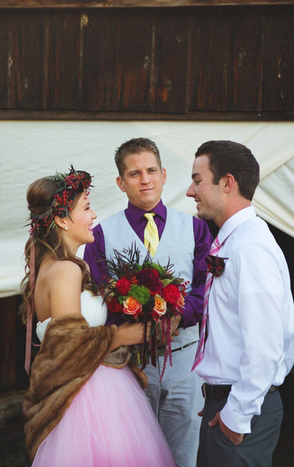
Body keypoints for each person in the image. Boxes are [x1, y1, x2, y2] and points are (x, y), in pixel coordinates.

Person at [21, 167, 175, 467]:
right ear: (62, 220)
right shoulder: (66, 270)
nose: (94, 216)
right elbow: (68, 343)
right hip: (88, 398)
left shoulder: (51, 266)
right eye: (87, 208)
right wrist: (122, 335)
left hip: (87, 385)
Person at [83, 137, 212, 467]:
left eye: (151, 170)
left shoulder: (197, 229)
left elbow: (205, 287)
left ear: (165, 174)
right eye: (135, 173)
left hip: (185, 360)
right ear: (121, 182)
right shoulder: (100, 235)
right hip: (131, 364)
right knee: (134, 455)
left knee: (183, 455)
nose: (145, 180)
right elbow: (98, 294)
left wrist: (179, 318)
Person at [186, 140, 294, 467]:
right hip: (224, 404)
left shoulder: (250, 247)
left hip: (241, 414)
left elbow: (265, 343)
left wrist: (234, 415)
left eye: (197, 180)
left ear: (227, 183)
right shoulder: (234, 241)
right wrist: (214, 396)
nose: (190, 191)